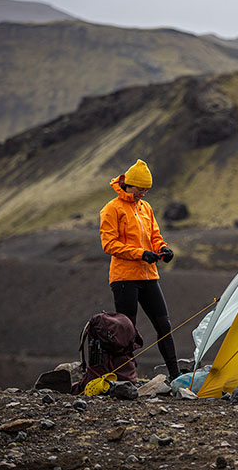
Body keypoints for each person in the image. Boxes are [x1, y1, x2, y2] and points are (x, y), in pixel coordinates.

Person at [99, 159, 180, 380]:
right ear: (129, 184)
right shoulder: (111, 209)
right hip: (124, 278)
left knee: (164, 325)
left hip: (149, 276)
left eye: (146, 190)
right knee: (127, 330)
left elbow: (155, 236)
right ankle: (126, 378)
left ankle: (175, 376)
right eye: (140, 189)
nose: (143, 193)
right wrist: (140, 253)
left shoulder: (146, 208)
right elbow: (109, 245)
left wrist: (163, 248)